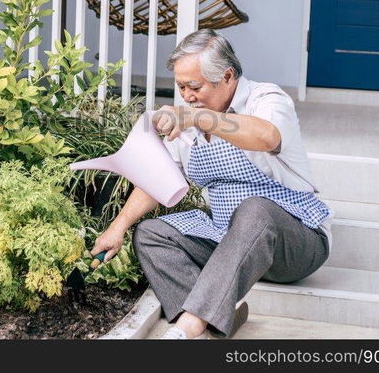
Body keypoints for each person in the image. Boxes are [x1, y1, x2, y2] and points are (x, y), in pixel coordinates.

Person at [91, 29, 333, 339]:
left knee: (255, 209)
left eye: (195, 86)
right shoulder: (190, 121)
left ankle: (188, 328)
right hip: (229, 241)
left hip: (295, 243)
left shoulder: (266, 99)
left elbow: (266, 136)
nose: (188, 97)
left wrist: (198, 119)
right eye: (181, 87)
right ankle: (218, 317)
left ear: (228, 76)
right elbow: (156, 180)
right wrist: (118, 226)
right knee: (152, 234)